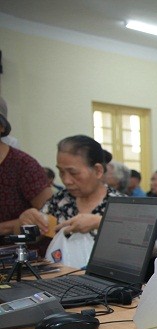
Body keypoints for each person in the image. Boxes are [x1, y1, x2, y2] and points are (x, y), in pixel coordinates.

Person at [18, 135, 122, 238]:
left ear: (98, 170)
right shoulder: (59, 201)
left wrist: (100, 223)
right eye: (61, 172)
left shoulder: (120, 204)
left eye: (73, 173)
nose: (66, 181)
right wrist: (26, 222)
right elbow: (36, 237)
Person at [0, 96, 52, 235]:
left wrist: (7, 227)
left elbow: (51, 216)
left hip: (21, 252)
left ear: (1, 127)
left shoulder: (23, 166)